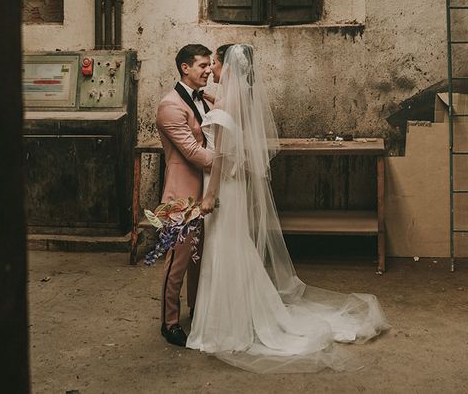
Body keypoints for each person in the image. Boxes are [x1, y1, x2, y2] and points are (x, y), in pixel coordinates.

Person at [186, 44, 389, 372]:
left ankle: (227, 325)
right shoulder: (236, 102)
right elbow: (228, 125)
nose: (211, 69)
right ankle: (241, 313)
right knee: (234, 246)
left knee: (224, 248)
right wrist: (211, 100)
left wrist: (209, 196)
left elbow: (221, 157)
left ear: (227, 68)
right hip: (235, 187)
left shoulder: (224, 109)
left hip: (223, 186)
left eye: (215, 63)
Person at [155, 44, 214, 347]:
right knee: (177, 260)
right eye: (202, 65)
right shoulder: (170, 106)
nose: (208, 71)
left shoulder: (203, 98)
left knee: (199, 257)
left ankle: (197, 309)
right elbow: (192, 152)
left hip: (206, 193)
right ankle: (170, 322)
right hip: (182, 194)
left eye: (210, 65)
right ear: (185, 68)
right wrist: (230, 162)